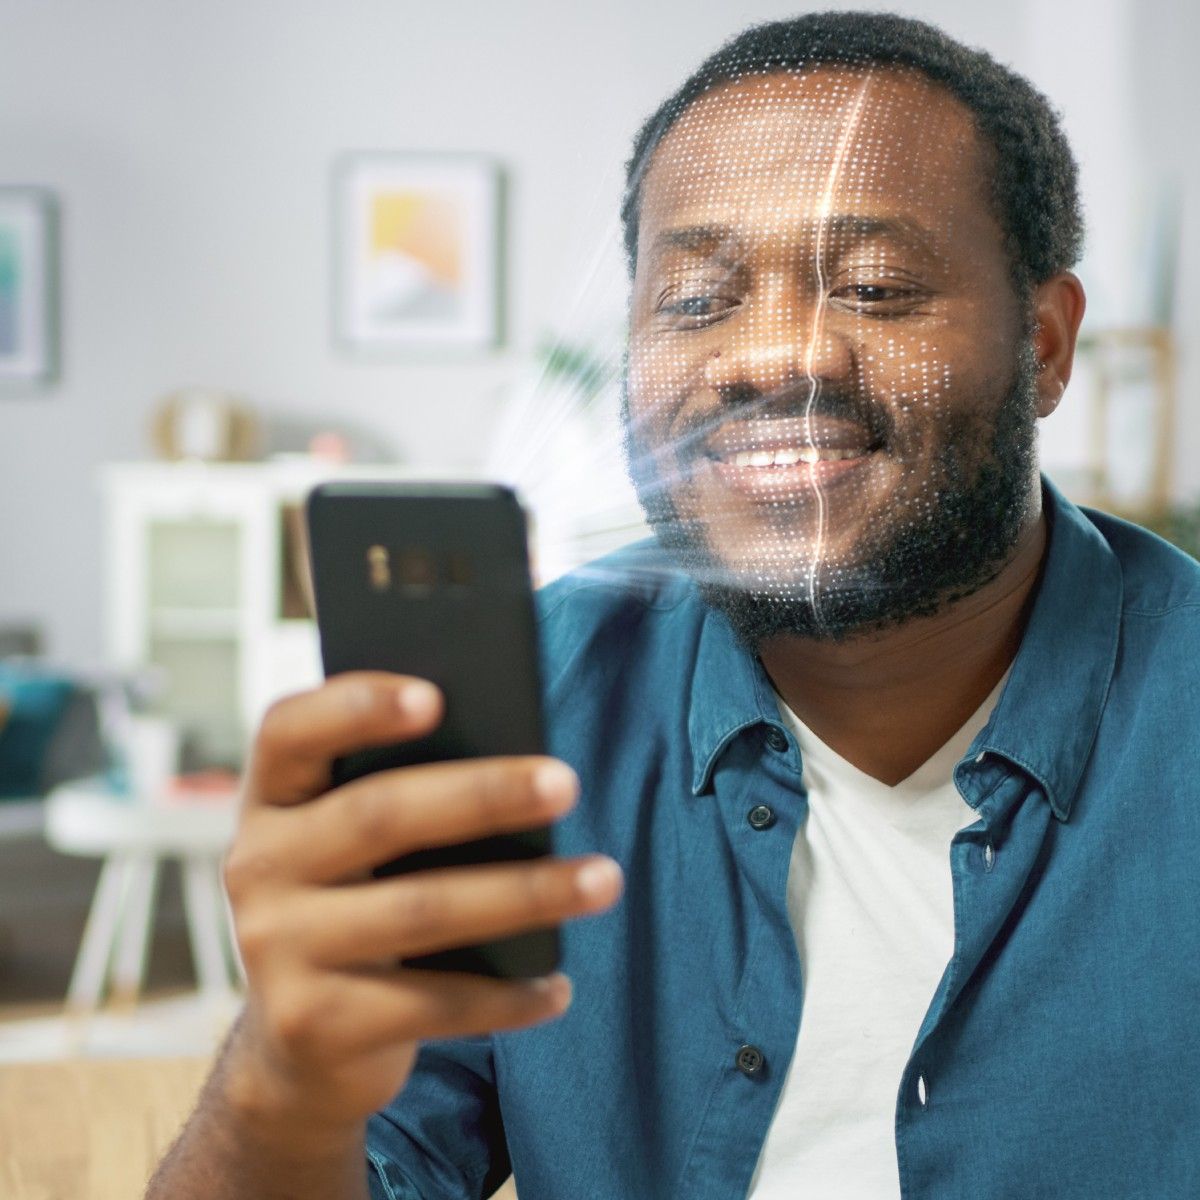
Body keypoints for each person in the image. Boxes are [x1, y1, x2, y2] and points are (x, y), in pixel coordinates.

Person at [147, 12, 1200, 1200]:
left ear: (1048, 345)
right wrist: (279, 1086)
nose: (766, 358)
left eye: (871, 285)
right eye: (698, 302)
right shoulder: (523, 705)